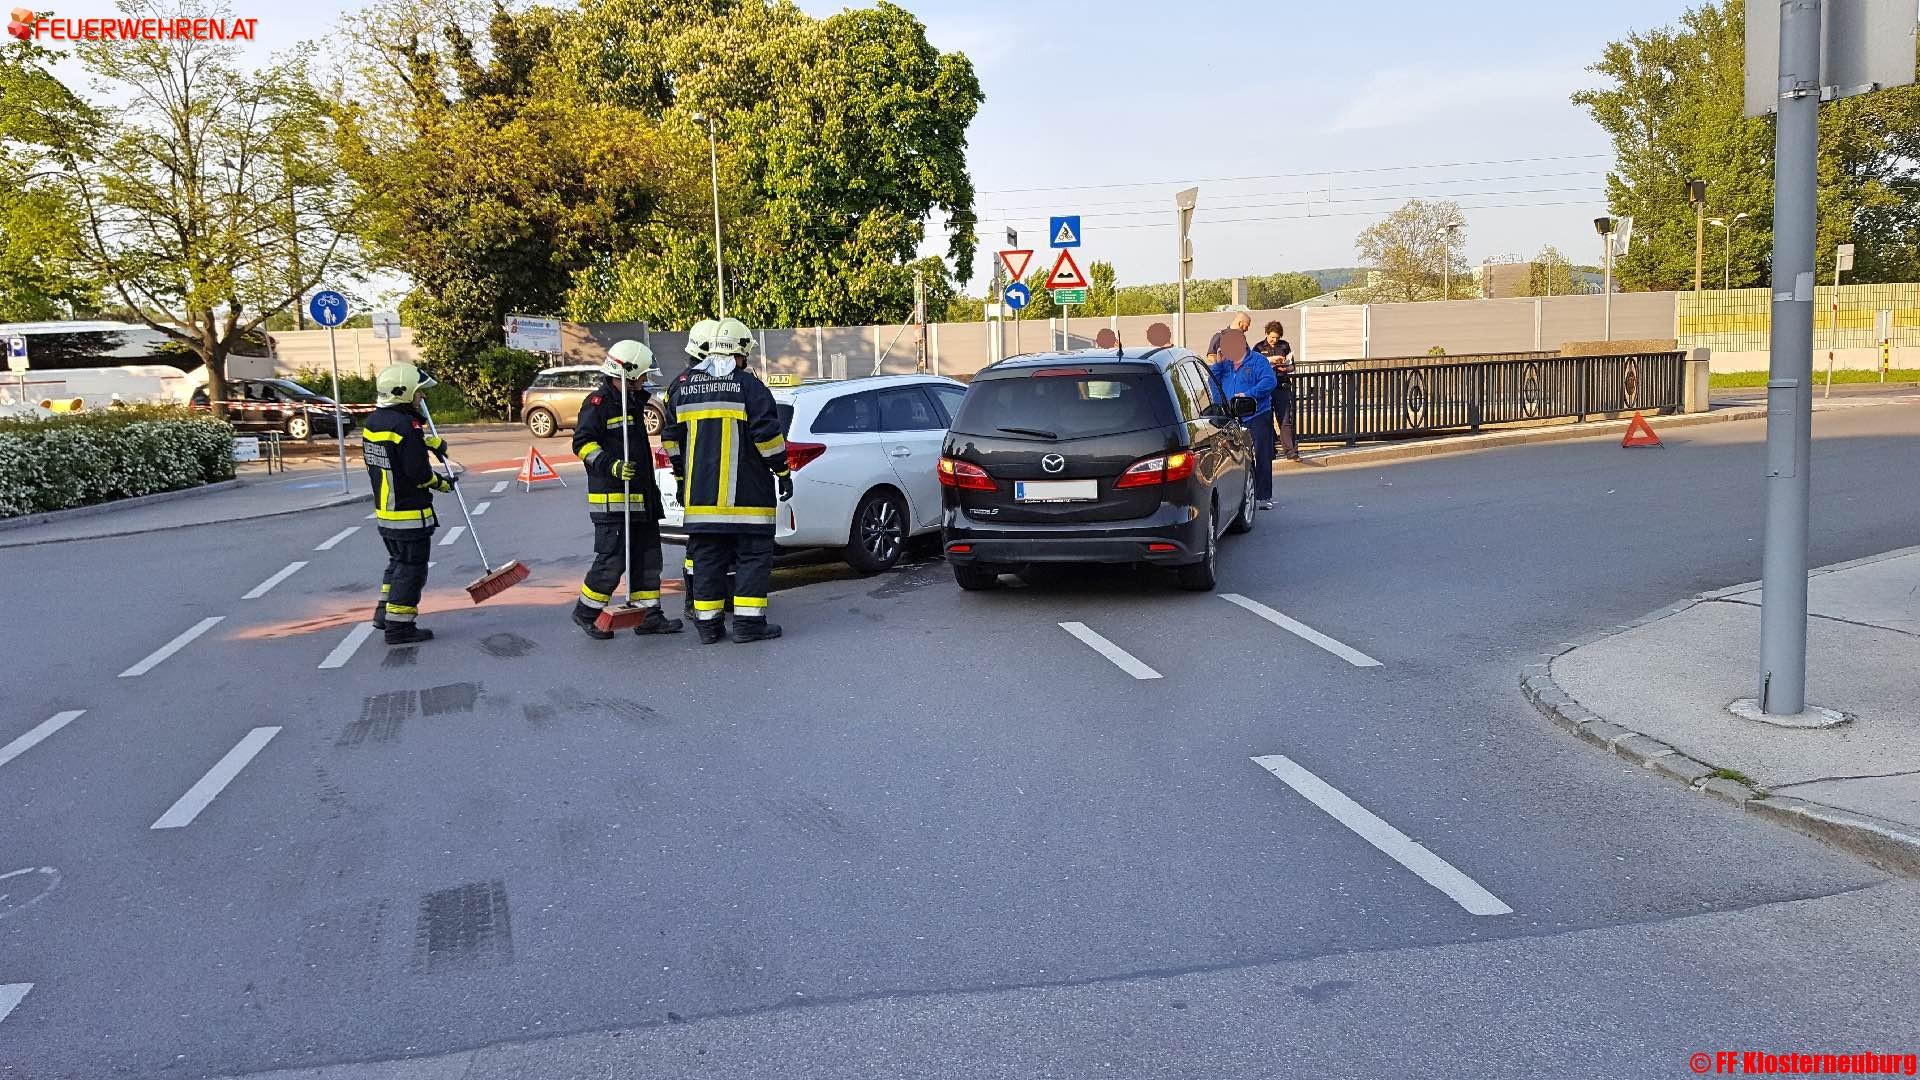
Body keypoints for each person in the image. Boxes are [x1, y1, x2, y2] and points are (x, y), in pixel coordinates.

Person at [663, 316, 791, 645]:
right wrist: (783, 472)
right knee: (752, 557)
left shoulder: (683, 388)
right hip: (747, 497)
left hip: (701, 499)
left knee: (707, 559)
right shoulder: (750, 387)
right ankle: (748, 626)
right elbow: (768, 438)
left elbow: (671, 440)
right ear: (740, 351)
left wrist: (682, 478)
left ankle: (708, 627)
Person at [571, 340, 683, 640]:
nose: (645, 380)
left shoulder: (632, 401)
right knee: (612, 561)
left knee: (648, 560)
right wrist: (612, 466)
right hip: (614, 501)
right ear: (628, 373)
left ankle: (648, 617)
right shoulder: (598, 404)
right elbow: (582, 444)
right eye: (642, 375)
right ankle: (587, 613)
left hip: (641, 499)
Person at [363, 362, 451, 646]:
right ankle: (399, 627)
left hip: (387, 512)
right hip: (409, 512)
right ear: (403, 392)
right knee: (412, 569)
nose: (422, 397)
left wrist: (425, 443)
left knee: (398, 564)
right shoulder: (406, 425)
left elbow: (395, 454)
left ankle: (384, 613)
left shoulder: (375, 422)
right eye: (418, 392)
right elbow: (417, 472)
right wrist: (442, 483)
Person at [1209, 328, 1277, 510]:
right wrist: (1218, 364)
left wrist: (1248, 395)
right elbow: (1213, 384)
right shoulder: (1225, 364)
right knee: (1233, 458)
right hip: (1232, 417)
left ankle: (1263, 496)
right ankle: (1238, 496)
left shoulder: (1257, 360)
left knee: (1261, 455)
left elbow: (1269, 381)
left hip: (1256, 414)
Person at [1254, 320, 1300, 462]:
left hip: (1281, 386)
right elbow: (1254, 367)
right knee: (1266, 420)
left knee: (1285, 419)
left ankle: (1291, 451)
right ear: (1266, 334)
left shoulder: (1284, 346)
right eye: (1272, 337)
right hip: (1265, 389)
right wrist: (1270, 361)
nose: (1274, 340)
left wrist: (1285, 367)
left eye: (1277, 338)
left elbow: (1292, 367)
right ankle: (1270, 450)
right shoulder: (1258, 348)